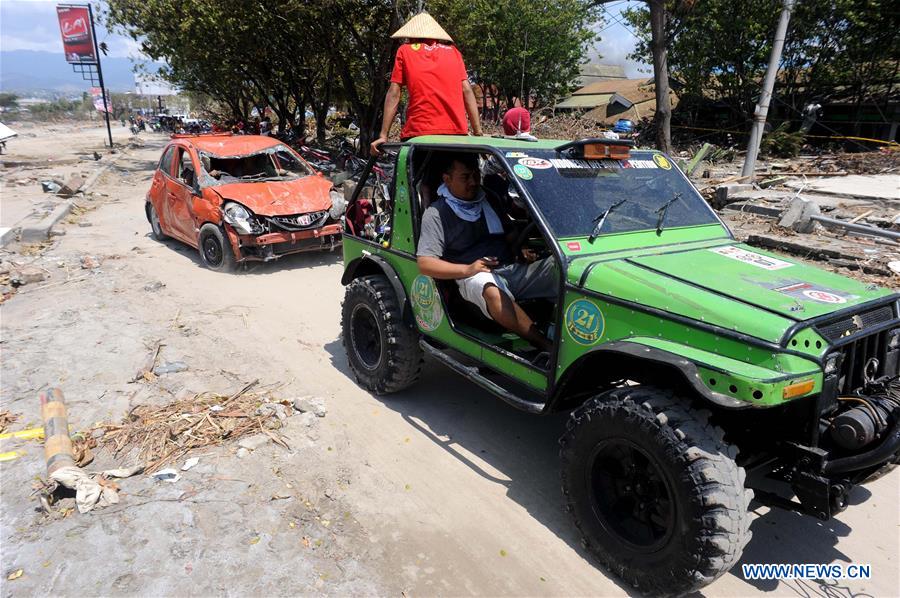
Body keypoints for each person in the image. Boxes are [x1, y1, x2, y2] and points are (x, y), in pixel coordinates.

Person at [417, 153, 556, 355]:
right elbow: (425, 263)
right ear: (447, 180)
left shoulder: (488, 198)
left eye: (475, 175)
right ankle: (543, 343)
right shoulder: (436, 213)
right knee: (491, 290)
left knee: (561, 269)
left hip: (510, 267)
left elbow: (509, 232)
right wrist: (468, 268)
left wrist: (519, 248)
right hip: (473, 275)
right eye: (465, 177)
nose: (473, 182)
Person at [371, 12, 482, 154]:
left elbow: (394, 93)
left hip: (419, 133)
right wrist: (478, 132)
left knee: (418, 176)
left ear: (413, 34)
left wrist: (383, 135)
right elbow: (466, 90)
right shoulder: (454, 52)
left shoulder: (405, 51)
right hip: (456, 135)